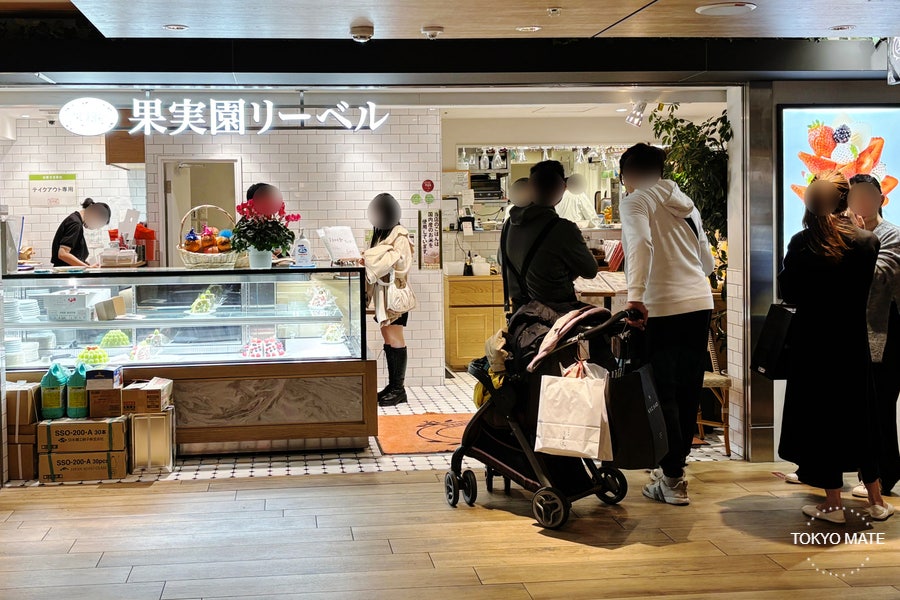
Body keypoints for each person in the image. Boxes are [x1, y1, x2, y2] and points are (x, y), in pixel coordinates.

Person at [779, 173, 891, 523]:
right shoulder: (867, 241)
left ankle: (832, 505)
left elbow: (789, 293)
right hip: (852, 344)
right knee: (863, 420)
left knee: (821, 421)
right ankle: (876, 502)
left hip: (813, 346)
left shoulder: (801, 242)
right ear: (846, 201)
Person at [618, 143, 715, 506]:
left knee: (662, 391)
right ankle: (675, 469)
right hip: (698, 302)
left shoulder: (636, 200)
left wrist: (635, 296)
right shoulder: (685, 201)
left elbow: (640, 242)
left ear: (629, 175)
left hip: (659, 306)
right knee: (689, 388)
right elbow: (705, 259)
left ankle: (672, 478)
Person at [848, 173, 900, 501]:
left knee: (881, 407)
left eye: (868, 197)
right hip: (860, 333)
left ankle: (887, 476)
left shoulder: (891, 235)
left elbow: (878, 275)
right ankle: (871, 475)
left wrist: (857, 240)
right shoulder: (851, 234)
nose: (861, 204)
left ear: (881, 199)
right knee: (865, 408)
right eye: (854, 198)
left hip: (887, 333)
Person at [499, 160, 598, 312]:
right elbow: (590, 271)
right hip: (555, 317)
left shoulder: (508, 225)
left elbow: (501, 260)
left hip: (520, 315)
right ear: (563, 188)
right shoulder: (563, 229)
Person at [361, 193, 415, 407]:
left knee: (394, 338)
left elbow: (401, 266)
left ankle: (398, 389)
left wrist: (372, 258)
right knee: (388, 336)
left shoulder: (400, 235)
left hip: (394, 296)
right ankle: (393, 386)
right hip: (384, 296)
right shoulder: (385, 235)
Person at [51, 198, 111, 267]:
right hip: (66, 273)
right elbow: (63, 254)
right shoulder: (75, 223)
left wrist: (83, 263)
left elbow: (71, 252)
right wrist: (87, 267)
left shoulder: (75, 220)